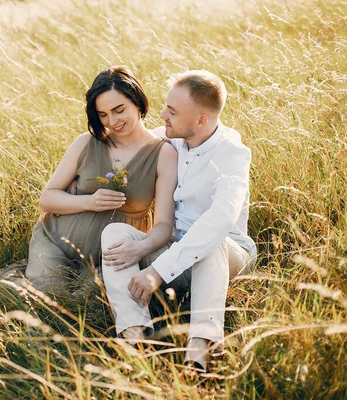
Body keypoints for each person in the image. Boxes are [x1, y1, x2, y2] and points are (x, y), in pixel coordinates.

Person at [101, 70, 256, 372]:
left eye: (171, 111)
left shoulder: (232, 153)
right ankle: (135, 339)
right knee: (115, 233)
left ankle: (202, 354)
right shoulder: (168, 138)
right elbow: (119, 147)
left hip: (228, 257)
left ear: (201, 120)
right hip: (173, 248)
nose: (161, 116)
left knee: (211, 243)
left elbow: (220, 219)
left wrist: (157, 271)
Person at [23, 65, 178, 299]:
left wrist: (141, 248)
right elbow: (47, 198)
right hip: (55, 241)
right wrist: (89, 202)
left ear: (137, 102)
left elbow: (164, 225)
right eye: (103, 115)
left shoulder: (163, 155)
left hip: (109, 257)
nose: (112, 121)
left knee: (84, 303)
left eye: (119, 110)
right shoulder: (87, 142)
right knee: (48, 297)